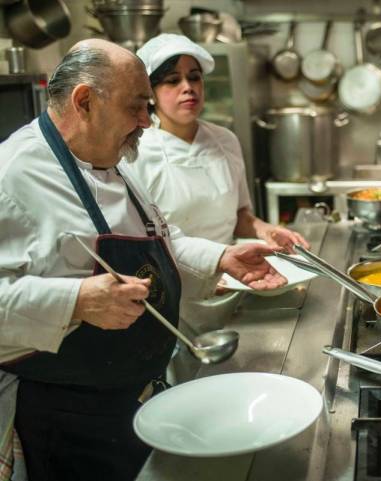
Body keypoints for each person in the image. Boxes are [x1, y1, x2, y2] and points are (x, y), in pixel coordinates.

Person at [0, 39, 286, 481]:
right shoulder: (12, 174)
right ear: (85, 101)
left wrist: (222, 258)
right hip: (68, 415)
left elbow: (160, 240)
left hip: (130, 398)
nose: (146, 122)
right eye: (137, 106)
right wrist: (75, 300)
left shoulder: (112, 159)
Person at [128, 34, 309, 250]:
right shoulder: (136, 151)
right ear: (150, 92)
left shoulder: (225, 140)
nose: (188, 87)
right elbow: (137, 238)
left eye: (194, 77)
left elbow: (239, 216)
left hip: (233, 271)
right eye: (173, 80)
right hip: (174, 277)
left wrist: (265, 230)